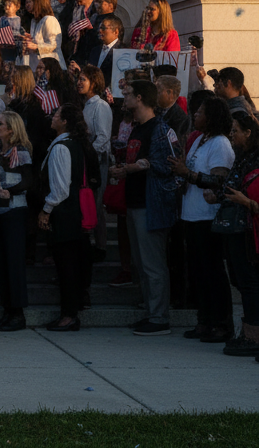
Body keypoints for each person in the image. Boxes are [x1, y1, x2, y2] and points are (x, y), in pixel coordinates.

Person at [110, 80, 179, 336]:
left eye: (127, 94)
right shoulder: (138, 129)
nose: (123, 98)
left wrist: (133, 167)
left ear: (139, 98)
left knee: (153, 264)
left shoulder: (160, 129)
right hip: (135, 202)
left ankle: (159, 318)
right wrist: (124, 168)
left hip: (151, 205)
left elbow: (169, 164)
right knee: (141, 263)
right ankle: (151, 312)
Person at [189, 111, 259, 357]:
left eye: (236, 131)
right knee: (240, 281)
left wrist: (245, 201)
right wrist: (218, 195)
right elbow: (231, 183)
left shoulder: (256, 159)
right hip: (237, 230)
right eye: (231, 130)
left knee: (249, 284)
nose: (232, 135)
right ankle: (248, 333)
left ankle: (252, 337)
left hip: (251, 232)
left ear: (249, 133)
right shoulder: (243, 157)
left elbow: (246, 194)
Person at [167, 95, 235, 343]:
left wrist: (190, 175)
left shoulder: (220, 144)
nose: (194, 115)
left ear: (213, 117)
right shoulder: (199, 141)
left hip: (209, 218)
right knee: (198, 272)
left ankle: (222, 323)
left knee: (213, 271)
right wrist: (182, 172)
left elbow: (219, 180)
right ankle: (204, 320)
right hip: (191, 215)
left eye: (200, 112)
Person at [38, 102, 98, 333]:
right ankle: (71, 310)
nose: (52, 117)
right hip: (73, 214)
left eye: (56, 115)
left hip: (66, 215)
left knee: (67, 267)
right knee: (72, 265)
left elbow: (61, 189)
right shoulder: (72, 144)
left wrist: (46, 210)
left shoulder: (63, 147)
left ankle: (69, 315)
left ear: (64, 122)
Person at [0, 111, 35, 332]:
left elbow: (28, 180)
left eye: (0, 124)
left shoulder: (20, 151)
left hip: (13, 212)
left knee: (14, 263)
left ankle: (18, 313)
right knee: (1, 262)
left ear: (12, 129)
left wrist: (10, 191)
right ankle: (7, 310)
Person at [77, 65, 113, 259]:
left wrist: (87, 154)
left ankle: (100, 246)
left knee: (96, 203)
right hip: (87, 160)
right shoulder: (85, 104)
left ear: (94, 82)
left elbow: (103, 138)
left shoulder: (101, 106)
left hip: (97, 161)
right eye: (79, 79)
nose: (79, 82)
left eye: (83, 79)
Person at [20, 0, 65, 70]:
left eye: (29, 2)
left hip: (50, 68)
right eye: (26, 2)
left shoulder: (49, 19)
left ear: (37, 1)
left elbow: (55, 45)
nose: (27, 5)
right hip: (37, 67)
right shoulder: (34, 21)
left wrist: (36, 47)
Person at [60, 0, 98, 66]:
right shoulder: (72, 7)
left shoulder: (95, 9)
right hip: (71, 46)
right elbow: (63, 21)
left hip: (88, 48)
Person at [85, 14, 123, 90]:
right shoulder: (95, 50)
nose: (99, 31)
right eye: (99, 28)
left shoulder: (122, 51)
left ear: (115, 32)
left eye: (103, 28)